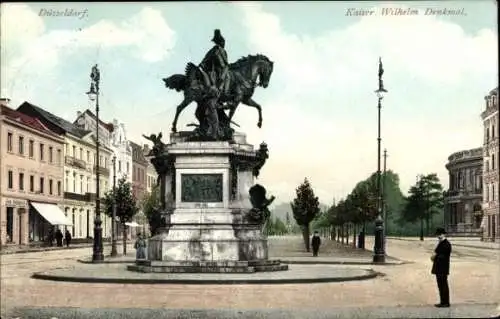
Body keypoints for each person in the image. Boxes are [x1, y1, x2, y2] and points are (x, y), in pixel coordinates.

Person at [199, 29, 229, 95]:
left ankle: (222, 90)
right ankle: (224, 92)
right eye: (222, 42)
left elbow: (205, 58)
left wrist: (202, 64)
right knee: (227, 77)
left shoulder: (215, 50)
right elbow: (225, 63)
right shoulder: (218, 50)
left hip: (215, 69)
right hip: (216, 69)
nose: (223, 43)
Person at [431, 227, 452, 308]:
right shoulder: (440, 243)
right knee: (440, 285)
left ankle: (446, 302)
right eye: (438, 235)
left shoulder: (446, 244)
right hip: (439, 268)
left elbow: (442, 256)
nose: (438, 237)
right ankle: (442, 301)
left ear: (443, 235)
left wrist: (434, 257)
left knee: (443, 285)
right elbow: (436, 252)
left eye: (439, 235)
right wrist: (434, 256)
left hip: (443, 268)